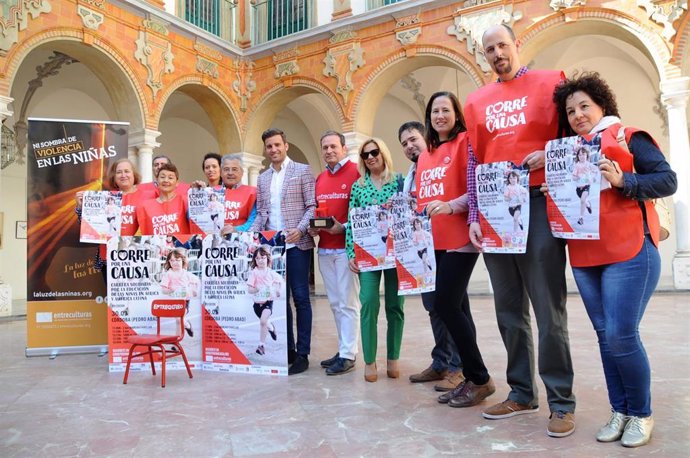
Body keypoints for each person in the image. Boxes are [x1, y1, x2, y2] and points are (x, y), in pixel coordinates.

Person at [550, 72, 676, 447]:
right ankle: (619, 410)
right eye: (570, 110)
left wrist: (626, 182)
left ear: (602, 105)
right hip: (586, 256)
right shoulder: (567, 152)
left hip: (630, 250)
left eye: (584, 106)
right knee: (606, 338)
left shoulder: (627, 136)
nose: (577, 115)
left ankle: (640, 414)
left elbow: (667, 181)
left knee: (621, 335)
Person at [464, 24, 576, 437]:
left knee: (549, 308)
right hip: (495, 213)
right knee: (509, 309)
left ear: (517, 46)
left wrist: (548, 154)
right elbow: (474, 161)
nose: (497, 53)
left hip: (537, 204)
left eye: (502, 45)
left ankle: (561, 401)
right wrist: (474, 215)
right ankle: (521, 391)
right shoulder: (475, 102)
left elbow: (574, 136)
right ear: (484, 56)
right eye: (489, 49)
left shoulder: (550, 83)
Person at [417, 91, 495, 408]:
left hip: (461, 236)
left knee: (445, 304)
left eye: (445, 110)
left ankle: (480, 378)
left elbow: (473, 189)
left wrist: (449, 207)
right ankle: (468, 375)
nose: (440, 116)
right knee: (458, 308)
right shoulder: (426, 154)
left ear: (456, 113)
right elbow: (424, 197)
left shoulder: (466, 142)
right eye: (435, 111)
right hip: (432, 240)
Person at [399, 121, 463, 392]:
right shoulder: (410, 175)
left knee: (453, 306)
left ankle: (459, 368)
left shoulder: (441, 164)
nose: (409, 146)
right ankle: (440, 361)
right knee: (432, 306)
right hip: (423, 246)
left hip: (448, 243)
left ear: (425, 137)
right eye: (404, 143)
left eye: (413, 139)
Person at [250, 128, 316, 375]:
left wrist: (300, 230)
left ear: (285, 145)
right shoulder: (263, 178)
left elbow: (312, 206)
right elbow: (262, 213)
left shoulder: (302, 170)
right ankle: (287, 349)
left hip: (297, 244)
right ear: (265, 149)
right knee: (279, 299)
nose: (274, 149)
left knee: (301, 298)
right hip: (273, 250)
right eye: (269, 146)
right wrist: (252, 237)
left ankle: (303, 353)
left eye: (277, 144)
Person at [345, 138, 404, 383]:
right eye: (365, 154)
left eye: (374, 152)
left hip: (395, 253)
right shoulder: (358, 187)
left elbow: (410, 210)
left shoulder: (399, 181)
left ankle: (393, 357)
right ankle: (370, 360)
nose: (370, 157)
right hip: (368, 254)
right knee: (368, 302)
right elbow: (351, 221)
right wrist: (351, 253)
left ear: (383, 153)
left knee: (395, 306)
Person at [309, 131, 361, 376]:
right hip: (325, 249)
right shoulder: (321, 178)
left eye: (333, 146)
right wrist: (314, 228)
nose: (329, 151)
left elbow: (363, 212)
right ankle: (343, 349)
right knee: (335, 303)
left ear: (343, 147)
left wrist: (345, 227)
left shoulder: (355, 173)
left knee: (348, 303)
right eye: (325, 147)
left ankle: (349, 354)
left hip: (345, 249)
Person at [75, 158, 156, 281]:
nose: (123, 175)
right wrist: (82, 207)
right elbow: (89, 227)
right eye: (119, 172)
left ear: (134, 174)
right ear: (114, 176)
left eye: (127, 171)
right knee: (116, 300)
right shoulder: (104, 197)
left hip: (139, 256)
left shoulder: (149, 195)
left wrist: (195, 190)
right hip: (110, 257)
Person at [246, 245, 284, 356]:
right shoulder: (254, 273)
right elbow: (249, 289)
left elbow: (280, 282)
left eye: (263, 257)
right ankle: (271, 328)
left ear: (267, 258)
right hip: (257, 304)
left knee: (263, 321)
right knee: (265, 323)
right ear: (255, 260)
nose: (260, 260)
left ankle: (261, 346)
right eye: (257, 258)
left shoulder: (271, 273)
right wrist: (255, 289)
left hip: (268, 302)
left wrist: (278, 291)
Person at [137, 163, 191, 236]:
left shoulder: (185, 201)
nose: (166, 180)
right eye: (162, 177)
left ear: (177, 183)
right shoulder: (144, 206)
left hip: (180, 246)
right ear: (157, 181)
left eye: (170, 178)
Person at [160, 247, 199, 337]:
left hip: (184, 301)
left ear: (183, 261)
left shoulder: (187, 274)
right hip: (173, 301)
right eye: (172, 261)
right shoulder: (168, 274)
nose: (175, 263)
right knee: (179, 320)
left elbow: (195, 284)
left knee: (178, 319)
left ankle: (178, 338)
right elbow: (163, 290)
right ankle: (187, 326)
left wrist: (193, 291)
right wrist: (172, 290)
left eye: (177, 260)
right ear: (169, 262)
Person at [219, 153, 257, 234]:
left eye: (234, 169)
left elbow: (254, 221)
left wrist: (237, 229)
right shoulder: (210, 193)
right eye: (226, 169)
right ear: (221, 173)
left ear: (242, 172)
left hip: (243, 239)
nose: (230, 173)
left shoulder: (253, 193)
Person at [571, 146, 599, 225]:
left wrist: (592, 177)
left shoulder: (589, 164)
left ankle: (581, 218)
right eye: (579, 155)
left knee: (582, 200)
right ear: (577, 156)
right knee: (584, 201)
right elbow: (573, 177)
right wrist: (577, 177)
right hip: (578, 188)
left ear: (587, 155)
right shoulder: (577, 165)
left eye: (583, 154)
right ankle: (588, 204)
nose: (581, 156)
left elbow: (596, 170)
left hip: (586, 186)